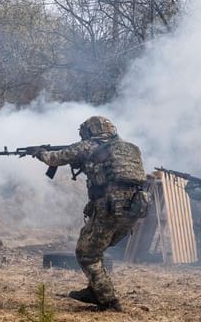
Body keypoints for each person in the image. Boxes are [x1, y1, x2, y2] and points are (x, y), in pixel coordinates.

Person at [34, 116, 148, 311]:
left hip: (109, 207)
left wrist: (40, 152)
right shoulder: (129, 148)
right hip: (135, 207)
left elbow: (55, 158)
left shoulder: (87, 146)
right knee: (95, 248)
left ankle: (108, 300)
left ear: (90, 131)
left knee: (86, 253)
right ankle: (95, 289)